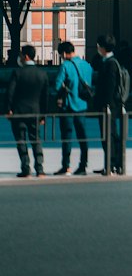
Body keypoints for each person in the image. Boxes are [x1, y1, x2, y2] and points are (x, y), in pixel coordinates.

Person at [6, 44, 48, 178]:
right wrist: (43, 115)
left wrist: (9, 109)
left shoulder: (17, 73)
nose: (19, 58)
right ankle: (40, 168)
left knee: (21, 140)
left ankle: (26, 168)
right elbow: (45, 97)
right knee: (36, 139)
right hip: (35, 111)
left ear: (26, 56)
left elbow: (10, 93)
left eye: (20, 55)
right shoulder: (42, 74)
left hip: (19, 112)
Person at [54, 40, 92, 176]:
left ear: (64, 53)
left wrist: (64, 87)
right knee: (83, 136)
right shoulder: (87, 65)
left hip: (68, 106)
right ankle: (83, 165)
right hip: (82, 106)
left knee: (67, 136)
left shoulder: (65, 66)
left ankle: (66, 166)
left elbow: (57, 86)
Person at [93, 34, 128, 175]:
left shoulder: (110, 63)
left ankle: (112, 163)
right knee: (111, 134)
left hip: (108, 106)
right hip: (110, 105)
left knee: (109, 135)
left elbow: (109, 86)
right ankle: (112, 163)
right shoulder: (110, 62)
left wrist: (105, 104)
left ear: (102, 47)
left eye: (98, 45)